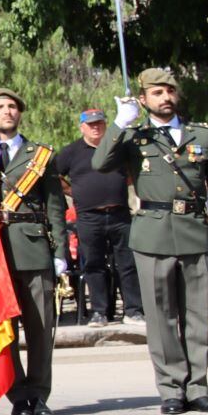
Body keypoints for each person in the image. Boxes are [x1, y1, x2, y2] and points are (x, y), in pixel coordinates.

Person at [96, 68, 208, 414]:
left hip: (196, 231)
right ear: (142, 100)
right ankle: (171, 388)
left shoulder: (202, 136)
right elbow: (100, 163)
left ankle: (198, 387)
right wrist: (119, 123)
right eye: (156, 93)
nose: (165, 98)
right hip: (152, 233)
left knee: (198, 315)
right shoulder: (134, 137)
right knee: (161, 316)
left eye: (169, 91)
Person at [0, 89, 68, 415]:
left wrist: (60, 253)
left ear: (20, 113)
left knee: (40, 328)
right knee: (4, 329)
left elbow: (56, 205)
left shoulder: (39, 154)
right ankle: (18, 396)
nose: (7, 111)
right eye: (0, 107)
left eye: (12, 107)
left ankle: (39, 396)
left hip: (34, 247)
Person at [57, 107, 145, 325]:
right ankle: (100, 312)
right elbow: (54, 174)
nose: (96, 128)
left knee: (127, 264)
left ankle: (133, 310)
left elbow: (135, 171)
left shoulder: (118, 147)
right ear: (82, 127)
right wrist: (72, 190)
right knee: (93, 265)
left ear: (106, 125)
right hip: (88, 217)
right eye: (91, 124)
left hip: (120, 214)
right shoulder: (71, 151)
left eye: (99, 123)